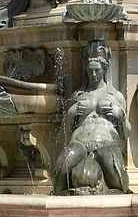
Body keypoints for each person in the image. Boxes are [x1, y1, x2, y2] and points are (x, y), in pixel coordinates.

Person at [53, 42, 130, 195]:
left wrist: (120, 115)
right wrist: (70, 114)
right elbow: (66, 132)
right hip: (79, 143)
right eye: (90, 71)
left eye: (97, 71)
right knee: (61, 168)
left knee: (114, 168)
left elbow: (126, 133)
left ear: (104, 69)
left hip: (106, 142)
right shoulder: (78, 96)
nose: (93, 74)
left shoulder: (115, 96)